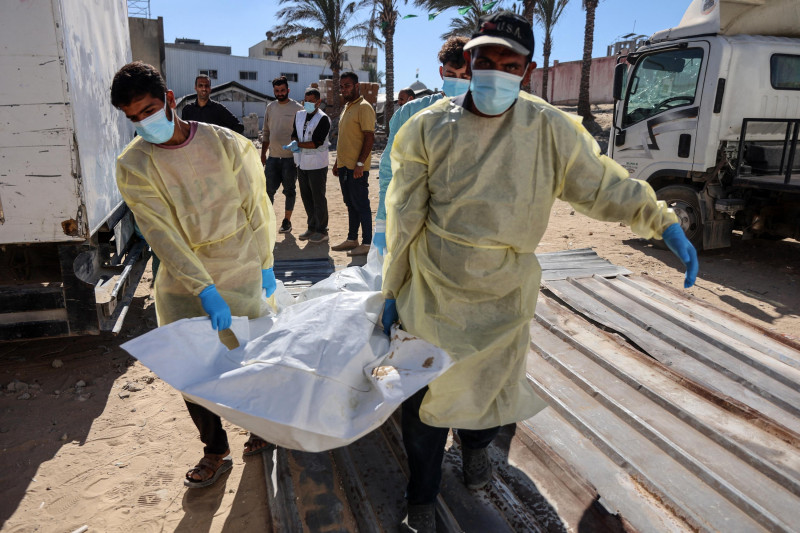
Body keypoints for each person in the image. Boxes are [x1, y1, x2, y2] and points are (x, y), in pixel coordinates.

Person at [380, 12, 699, 532]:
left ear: (527, 71)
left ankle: (478, 450)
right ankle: (422, 496)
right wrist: (393, 287)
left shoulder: (549, 128)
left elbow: (603, 185)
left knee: (489, 386)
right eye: (487, 61)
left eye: (512, 65)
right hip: (436, 283)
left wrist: (661, 221)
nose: (497, 73)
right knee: (424, 400)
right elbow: (405, 213)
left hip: (505, 288)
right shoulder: (427, 126)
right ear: (469, 61)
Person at [111, 61, 279, 490]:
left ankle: (258, 427)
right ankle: (214, 449)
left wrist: (266, 263)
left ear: (170, 100)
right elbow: (160, 233)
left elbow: (256, 207)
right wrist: (203, 288)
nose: (143, 123)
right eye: (133, 118)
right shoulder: (134, 164)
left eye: (148, 110)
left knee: (248, 355)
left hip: (240, 266)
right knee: (193, 367)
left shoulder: (225, 144)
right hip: (184, 281)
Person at [374, 36, 471, 255]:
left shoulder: (484, 117)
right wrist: (382, 221)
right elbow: (390, 167)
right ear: (440, 73)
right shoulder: (411, 112)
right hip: (416, 218)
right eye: (451, 75)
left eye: (465, 76)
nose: (457, 81)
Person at [331, 72, 376, 257]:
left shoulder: (364, 107)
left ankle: (366, 243)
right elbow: (345, 139)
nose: (344, 89)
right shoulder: (347, 107)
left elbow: (369, 137)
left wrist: (359, 163)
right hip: (344, 167)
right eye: (341, 86)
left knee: (361, 205)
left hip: (357, 168)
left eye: (347, 85)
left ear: (357, 86)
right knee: (350, 204)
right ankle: (352, 239)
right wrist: (336, 162)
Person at [285, 88, 331, 243]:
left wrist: (298, 144)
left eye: (312, 101)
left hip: (317, 164)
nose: (308, 104)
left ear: (318, 102)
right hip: (301, 163)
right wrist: (293, 141)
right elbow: (294, 133)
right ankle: (311, 227)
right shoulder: (299, 115)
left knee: (318, 197)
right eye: (306, 101)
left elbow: (316, 142)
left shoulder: (323, 119)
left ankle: (322, 230)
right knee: (306, 197)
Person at [261, 76, 303, 234]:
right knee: (268, 191)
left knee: (290, 191)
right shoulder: (270, 107)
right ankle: (268, 221)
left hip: (290, 159)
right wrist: (263, 154)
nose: (279, 93)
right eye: (277, 91)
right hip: (272, 158)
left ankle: (287, 221)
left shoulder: (298, 109)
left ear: (288, 90)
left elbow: (302, 134)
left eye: (282, 90)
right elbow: (266, 132)